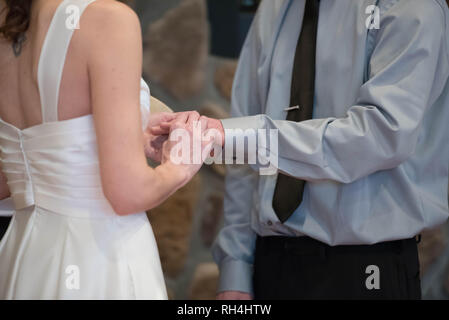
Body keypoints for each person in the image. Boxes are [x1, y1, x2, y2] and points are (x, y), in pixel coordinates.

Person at [151, 0, 449, 299]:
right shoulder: (275, 7)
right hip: (271, 264)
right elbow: (244, 151)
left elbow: (379, 136)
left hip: (366, 269)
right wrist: (236, 268)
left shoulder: (412, 6)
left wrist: (231, 135)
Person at [0, 0, 212, 299]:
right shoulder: (108, 19)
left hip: (24, 255)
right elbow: (128, 193)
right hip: (98, 256)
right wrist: (181, 165)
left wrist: (108, 138)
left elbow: (11, 176)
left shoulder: (8, 26)